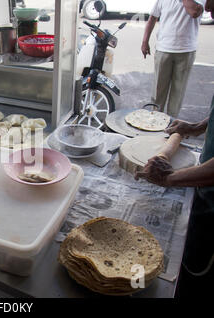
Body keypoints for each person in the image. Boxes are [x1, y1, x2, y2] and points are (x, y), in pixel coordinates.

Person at [135, 1, 214, 297]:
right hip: (204, 189)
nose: (209, 8)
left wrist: (168, 179)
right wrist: (195, 128)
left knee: (192, 271)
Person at [141, 0, 206, 118]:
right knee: (158, 92)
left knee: (177, 93)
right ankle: (154, 121)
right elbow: (152, 18)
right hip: (163, 49)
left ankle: (171, 123)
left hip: (186, 51)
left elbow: (194, 12)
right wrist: (145, 41)